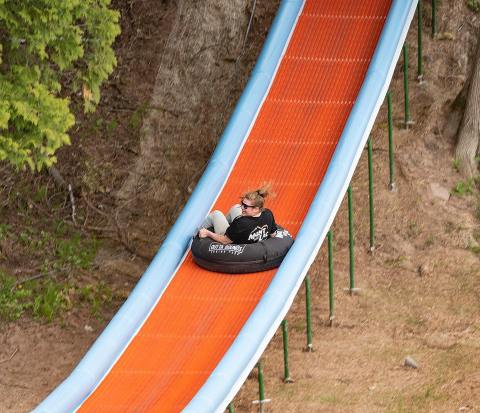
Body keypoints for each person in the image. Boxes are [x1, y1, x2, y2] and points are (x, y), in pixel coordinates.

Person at [198, 184, 277, 245]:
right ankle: (229, 228)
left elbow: (225, 241)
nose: (242, 207)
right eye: (242, 203)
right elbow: (273, 234)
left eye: (245, 206)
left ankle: (197, 233)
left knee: (216, 214)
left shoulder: (241, 223)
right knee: (236, 207)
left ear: (256, 209)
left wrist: (208, 233)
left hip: (233, 242)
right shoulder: (268, 213)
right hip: (248, 234)